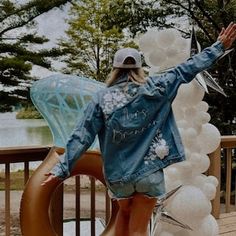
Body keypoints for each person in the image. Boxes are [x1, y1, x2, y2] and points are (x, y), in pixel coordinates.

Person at [42, 22, 236, 236]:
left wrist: (61, 169)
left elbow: (81, 136)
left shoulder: (101, 99)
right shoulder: (157, 88)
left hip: (119, 177)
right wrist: (218, 47)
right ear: (139, 68)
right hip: (149, 174)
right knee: (138, 231)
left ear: (115, 70)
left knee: (123, 222)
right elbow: (188, 68)